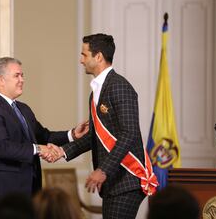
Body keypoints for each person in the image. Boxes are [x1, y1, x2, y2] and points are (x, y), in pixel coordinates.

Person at [46, 33, 158, 219]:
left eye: (84, 55)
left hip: (126, 179)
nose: (81, 60)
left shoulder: (119, 86)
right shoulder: (97, 91)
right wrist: (62, 151)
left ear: (98, 57)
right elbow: (95, 137)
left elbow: (129, 133)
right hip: (114, 181)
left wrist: (103, 169)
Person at [0, 57, 89, 216]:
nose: (22, 80)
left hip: (29, 192)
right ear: (0, 79)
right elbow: (1, 147)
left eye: (22, 75)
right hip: (3, 195)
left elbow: (44, 136)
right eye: (17, 76)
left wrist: (72, 134)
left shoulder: (23, 109)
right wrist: (37, 148)